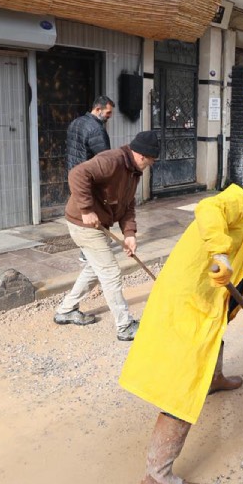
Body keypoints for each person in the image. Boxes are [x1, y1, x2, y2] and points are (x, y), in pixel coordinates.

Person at [119, 180, 243, 484]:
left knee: (214, 344)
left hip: (205, 305)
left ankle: (215, 378)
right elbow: (207, 208)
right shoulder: (239, 203)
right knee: (184, 389)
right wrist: (219, 253)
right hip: (189, 304)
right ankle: (157, 477)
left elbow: (240, 275)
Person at [53, 130, 159, 338]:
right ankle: (124, 326)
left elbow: (128, 205)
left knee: (95, 268)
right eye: (150, 162)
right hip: (82, 224)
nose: (150, 166)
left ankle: (66, 310)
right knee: (110, 272)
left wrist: (129, 234)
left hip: (97, 224)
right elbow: (77, 174)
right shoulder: (112, 160)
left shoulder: (133, 173)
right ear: (141, 156)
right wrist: (86, 209)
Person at [66, 95, 115, 173]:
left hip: (73, 175)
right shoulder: (97, 129)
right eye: (108, 112)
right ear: (98, 109)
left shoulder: (75, 122)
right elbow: (105, 159)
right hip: (87, 177)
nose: (110, 116)